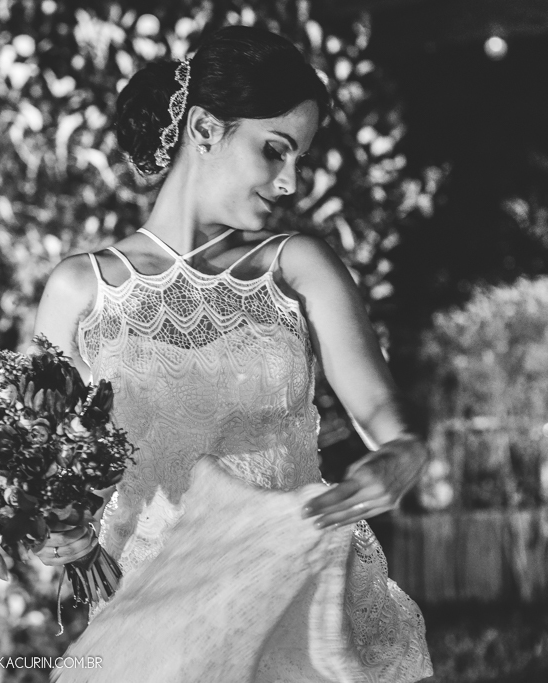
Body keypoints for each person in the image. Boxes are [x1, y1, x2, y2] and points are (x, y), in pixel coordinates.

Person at [33, 26, 433, 682]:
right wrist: (65, 531)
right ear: (204, 129)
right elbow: (43, 457)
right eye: (276, 150)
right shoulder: (79, 289)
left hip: (294, 600)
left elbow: (381, 407)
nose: (290, 182)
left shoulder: (296, 265)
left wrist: (401, 453)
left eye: (299, 158)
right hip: (151, 617)